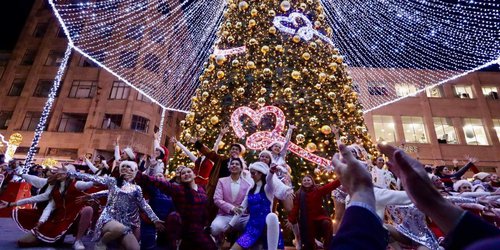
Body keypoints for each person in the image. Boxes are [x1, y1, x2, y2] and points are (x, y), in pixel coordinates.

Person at [378, 144, 500, 249]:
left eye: (437, 180)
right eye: (435, 179)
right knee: (382, 228)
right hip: (411, 234)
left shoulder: (440, 195)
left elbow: (456, 198)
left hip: (432, 235)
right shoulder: (398, 198)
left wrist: (480, 203)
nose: (438, 181)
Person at [65, 161, 164, 250]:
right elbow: (94, 178)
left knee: (135, 248)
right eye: (123, 166)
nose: (125, 168)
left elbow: (144, 204)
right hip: (108, 219)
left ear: (134, 171)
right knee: (119, 228)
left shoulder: (136, 188)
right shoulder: (113, 181)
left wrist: (155, 219)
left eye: (129, 167)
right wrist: (69, 172)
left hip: (126, 223)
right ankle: (101, 243)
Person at [0, 165, 95, 250]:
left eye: (62, 172)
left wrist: (71, 173)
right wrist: (11, 204)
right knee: (23, 242)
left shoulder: (76, 184)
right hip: (57, 219)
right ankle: (56, 238)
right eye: (57, 172)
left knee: (88, 209)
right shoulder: (53, 187)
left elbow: (91, 183)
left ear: (68, 174)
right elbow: (37, 194)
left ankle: (78, 240)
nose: (57, 174)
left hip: (74, 217)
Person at [134, 166, 217, 250]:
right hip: (186, 229)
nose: (186, 174)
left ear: (195, 175)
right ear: (180, 178)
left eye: (189, 172)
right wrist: (136, 173)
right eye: (183, 173)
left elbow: (205, 209)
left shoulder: (201, 189)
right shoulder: (179, 190)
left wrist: (206, 225)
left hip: (200, 229)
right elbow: (159, 183)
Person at [328, 142, 387, 250]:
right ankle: (335, 237)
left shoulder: (361, 164)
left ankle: (352, 236)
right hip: (340, 191)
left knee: (353, 215)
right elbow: (332, 167)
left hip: (355, 192)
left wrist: (362, 148)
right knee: (338, 216)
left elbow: (369, 165)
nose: (351, 153)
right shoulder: (341, 162)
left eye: (353, 152)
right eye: (350, 151)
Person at [230, 162, 284, 250]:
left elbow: (269, 180)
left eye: (253, 173)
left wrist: (270, 172)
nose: (251, 176)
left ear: (261, 173)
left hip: (266, 228)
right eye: (250, 173)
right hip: (252, 228)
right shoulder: (251, 189)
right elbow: (242, 208)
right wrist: (231, 224)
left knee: (272, 216)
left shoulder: (267, 188)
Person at [287, 175, 341, 250]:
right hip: (307, 222)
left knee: (327, 223)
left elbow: (329, 186)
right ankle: (314, 243)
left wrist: (340, 179)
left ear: (312, 182)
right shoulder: (298, 194)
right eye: (304, 180)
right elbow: (295, 208)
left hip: (319, 218)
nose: (306, 182)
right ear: (302, 183)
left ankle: (327, 245)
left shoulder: (318, 190)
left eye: (308, 180)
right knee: (309, 247)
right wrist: (291, 219)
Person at [211, 157, 252, 247]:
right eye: (232, 164)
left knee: (253, 227)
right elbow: (217, 199)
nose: (234, 165)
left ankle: (242, 245)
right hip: (224, 215)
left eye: (237, 164)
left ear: (241, 168)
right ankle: (219, 240)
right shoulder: (221, 181)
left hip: (242, 217)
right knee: (214, 228)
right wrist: (232, 208)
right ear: (229, 167)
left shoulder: (248, 184)